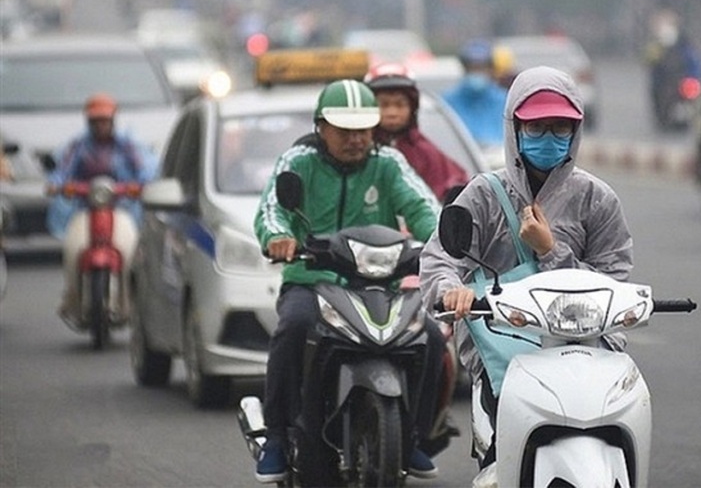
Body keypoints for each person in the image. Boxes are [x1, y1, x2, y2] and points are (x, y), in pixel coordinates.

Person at [419, 66, 634, 469]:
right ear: (514, 128)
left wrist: (550, 250)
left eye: (560, 127)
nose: (549, 137)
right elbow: (440, 257)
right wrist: (450, 290)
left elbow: (614, 282)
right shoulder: (483, 194)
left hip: (585, 347)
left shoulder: (598, 199)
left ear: (576, 130)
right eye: (536, 127)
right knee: (501, 459)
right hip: (503, 349)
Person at [253, 79, 446, 483]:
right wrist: (279, 237)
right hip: (310, 280)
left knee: (429, 334)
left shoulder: (388, 163)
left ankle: (414, 434)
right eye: (344, 130)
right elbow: (272, 209)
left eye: (363, 129)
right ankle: (276, 435)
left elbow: (424, 207)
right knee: (294, 327)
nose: (356, 139)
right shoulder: (298, 160)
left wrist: (443, 240)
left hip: (379, 284)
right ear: (321, 127)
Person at [47, 93, 157, 324]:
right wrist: (57, 185)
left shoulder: (127, 146)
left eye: (104, 120)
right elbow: (62, 172)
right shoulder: (78, 146)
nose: (100, 125)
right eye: (96, 121)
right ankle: (72, 299)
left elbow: (145, 170)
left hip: (121, 209)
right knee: (72, 249)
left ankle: (131, 303)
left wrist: (140, 186)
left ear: (113, 120)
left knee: (131, 252)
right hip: (85, 209)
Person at [364, 62, 470, 202]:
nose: (392, 113)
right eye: (384, 105)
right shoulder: (357, 149)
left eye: (400, 105)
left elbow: (454, 192)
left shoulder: (426, 154)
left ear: (412, 107)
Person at [442, 39, 508, 148]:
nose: (477, 72)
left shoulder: (504, 101)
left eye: (481, 68)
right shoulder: (447, 102)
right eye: (472, 68)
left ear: (491, 69)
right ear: (464, 69)